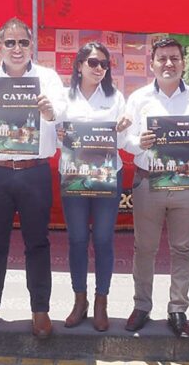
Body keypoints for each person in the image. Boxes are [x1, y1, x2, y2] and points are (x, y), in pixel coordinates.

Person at [0, 17, 66, 339]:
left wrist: (50, 113)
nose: (17, 48)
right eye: (10, 42)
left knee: (37, 243)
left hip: (34, 171)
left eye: (23, 42)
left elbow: (62, 116)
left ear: (32, 45)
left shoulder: (48, 78)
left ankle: (40, 310)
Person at [123, 37, 189, 338]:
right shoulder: (138, 99)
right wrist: (138, 143)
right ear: (152, 64)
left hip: (186, 184)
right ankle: (142, 305)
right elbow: (125, 140)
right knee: (144, 248)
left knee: (183, 248)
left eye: (174, 58)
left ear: (183, 63)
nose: (168, 64)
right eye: (162, 58)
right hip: (148, 181)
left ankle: (178, 309)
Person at [58, 42, 130, 332]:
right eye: (92, 62)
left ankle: (102, 301)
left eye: (104, 64)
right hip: (73, 175)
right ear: (79, 66)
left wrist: (123, 129)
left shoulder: (116, 98)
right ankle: (80, 300)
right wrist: (58, 133)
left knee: (102, 239)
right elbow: (52, 136)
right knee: (77, 239)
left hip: (107, 175)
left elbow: (124, 143)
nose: (99, 68)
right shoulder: (64, 98)